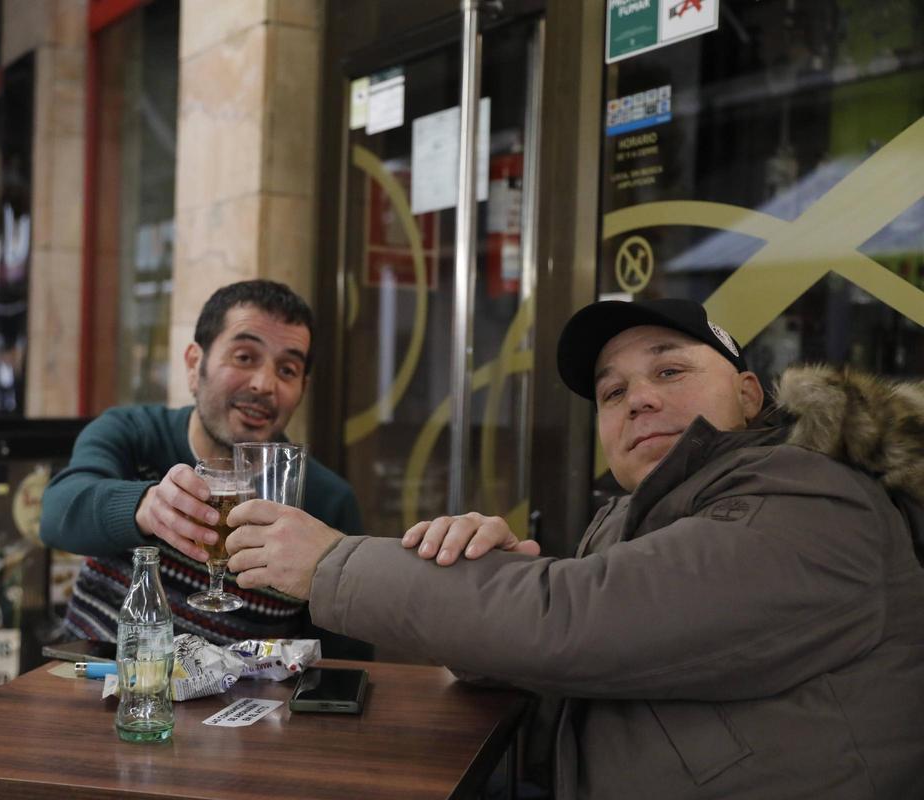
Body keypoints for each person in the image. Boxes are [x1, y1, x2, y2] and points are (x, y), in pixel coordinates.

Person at [225, 297, 924, 799]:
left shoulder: (814, 499)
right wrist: (488, 574)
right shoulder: (628, 520)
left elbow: (570, 624)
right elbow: (562, 648)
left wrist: (331, 564)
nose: (637, 400)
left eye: (669, 372)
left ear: (749, 394)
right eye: (612, 391)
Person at [40, 279, 369, 657]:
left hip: (242, 709)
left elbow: (345, 662)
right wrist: (145, 506)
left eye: (288, 370)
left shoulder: (325, 500)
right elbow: (55, 514)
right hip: (93, 682)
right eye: (245, 357)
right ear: (195, 365)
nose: (265, 384)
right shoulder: (132, 434)